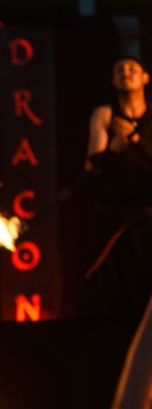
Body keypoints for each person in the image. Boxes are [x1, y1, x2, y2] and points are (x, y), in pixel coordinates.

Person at [82, 56, 152, 332]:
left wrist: (136, 142)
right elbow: (91, 165)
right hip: (113, 219)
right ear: (113, 80)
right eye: (119, 69)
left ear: (145, 77)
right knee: (109, 292)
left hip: (148, 218)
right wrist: (114, 149)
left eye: (132, 68)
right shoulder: (105, 114)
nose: (126, 72)